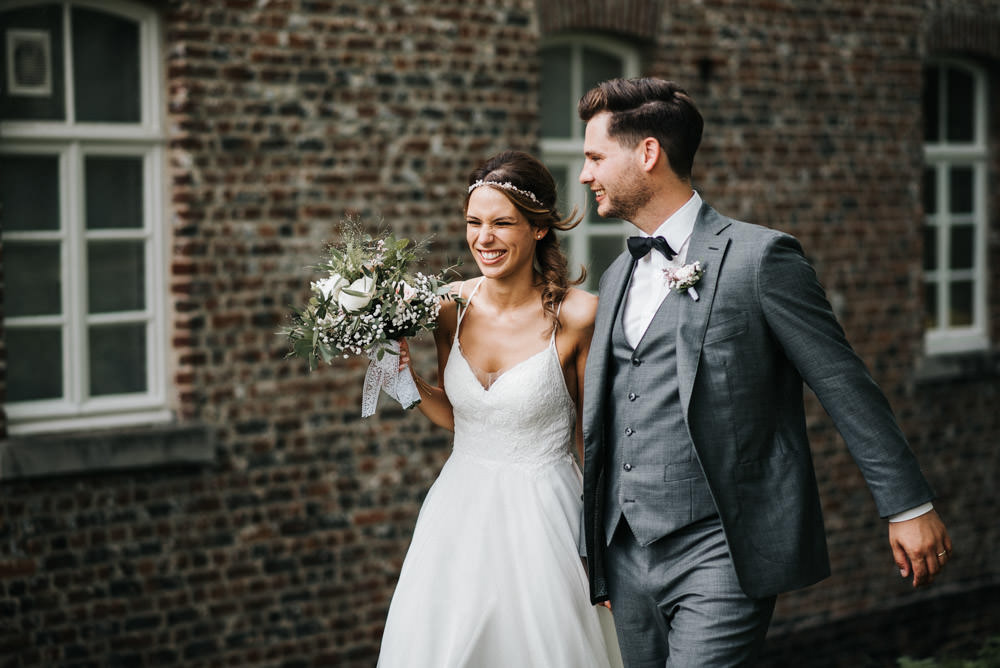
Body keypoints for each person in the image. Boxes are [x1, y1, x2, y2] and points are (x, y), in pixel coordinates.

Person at [576, 78, 953, 667]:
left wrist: (908, 505)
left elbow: (843, 383)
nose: (584, 175)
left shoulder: (760, 259)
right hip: (624, 553)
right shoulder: (616, 277)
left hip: (722, 547)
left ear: (647, 154)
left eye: (595, 157)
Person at [377, 150, 623, 667]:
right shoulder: (450, 307)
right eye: (473, 222)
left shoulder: (579, 316)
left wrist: (600, 541)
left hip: (545, 515)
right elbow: (459, 415)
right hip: (457, 510)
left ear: (537, 229)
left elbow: (593, 436)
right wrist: (402, 373)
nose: (482, 238)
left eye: (501, 223)